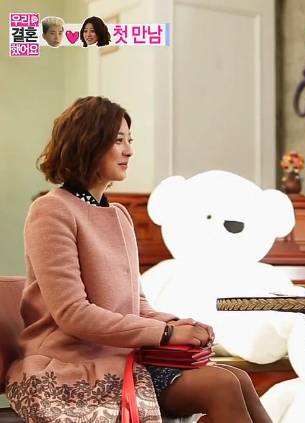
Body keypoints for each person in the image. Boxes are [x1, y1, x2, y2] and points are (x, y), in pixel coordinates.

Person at [5, 96, 273, 423]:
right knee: (222, 385)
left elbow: (137, 304)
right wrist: (166, 334)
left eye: (130, 140)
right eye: (118, 140)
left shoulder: (118, 215)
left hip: (125, 357)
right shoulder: (51, 210)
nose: (129, 150)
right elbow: (73, 314)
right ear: (87, 142)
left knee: (238, 377)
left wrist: (177, 324)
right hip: (71, 365)